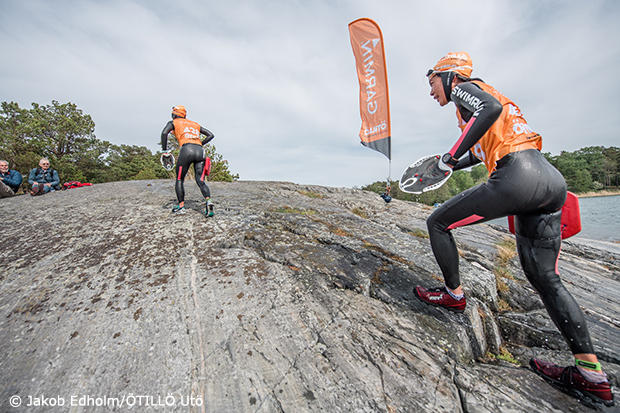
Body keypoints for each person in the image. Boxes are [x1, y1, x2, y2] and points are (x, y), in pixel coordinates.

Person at [414, 51, 614, 407]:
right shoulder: (478, 108)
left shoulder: (465, 89)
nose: (431, 91)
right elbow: (481, 148)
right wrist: (449, 165)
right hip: (548, 180)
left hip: (517, 176)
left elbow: (488, 109)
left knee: (437, 222)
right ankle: (591, 375)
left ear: (450, 76)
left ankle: (453, 295)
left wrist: (449, 154)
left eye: (432, 83)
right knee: (544, 278)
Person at [160, 105, 215, 216]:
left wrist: (165, 150)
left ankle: (181, 207)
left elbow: (164, 133)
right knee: (200, 180)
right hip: (200, 150)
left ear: (174, 114)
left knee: (180, 179)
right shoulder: (194, 124)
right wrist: (200, 144)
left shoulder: (173, 122)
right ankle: (208, 201)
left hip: (186, 149)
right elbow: (210, 135)